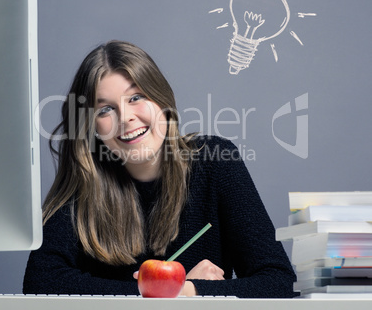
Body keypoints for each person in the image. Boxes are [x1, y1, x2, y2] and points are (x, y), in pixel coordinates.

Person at [23, 40, 296, 297]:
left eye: (136, 97)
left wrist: (185, 291)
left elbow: (278, 280)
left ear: (162, 102)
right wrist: (172, 289)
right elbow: (40, 282)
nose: (126, 118)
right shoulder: (85, 180)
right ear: (93, 127)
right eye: (105, 110)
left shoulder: (216, 161)